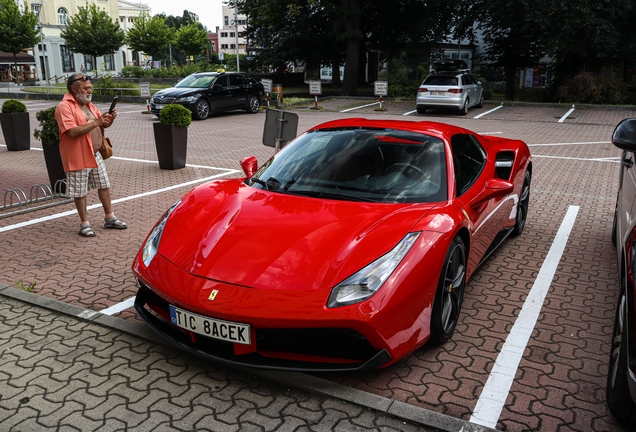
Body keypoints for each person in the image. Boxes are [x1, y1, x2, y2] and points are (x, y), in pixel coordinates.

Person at [54, 72, 127, 237]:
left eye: (90, 88)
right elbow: (72, 132)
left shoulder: (89, 105)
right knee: (80, 191)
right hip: (77, 155)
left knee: (104, 184)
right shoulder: (64, 107)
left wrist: (109, 119)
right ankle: (84, 224)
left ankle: (110, 217)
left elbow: (101, 125)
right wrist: (96, 122)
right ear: (74, 88)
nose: (89, 91)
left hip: (95, 154)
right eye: (86, 88)